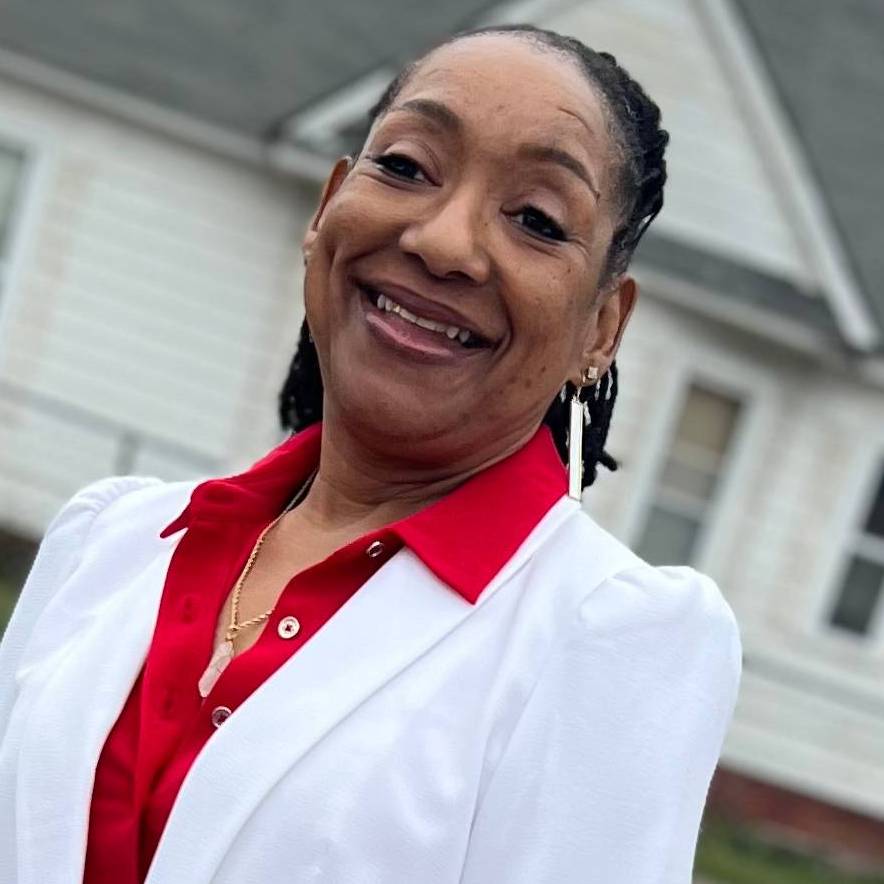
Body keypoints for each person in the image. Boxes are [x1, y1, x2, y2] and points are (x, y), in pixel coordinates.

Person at [0, 24, 741, 884]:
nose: (444, 242)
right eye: (407, 166)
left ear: (602, 329)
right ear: (326, 211)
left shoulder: (608, 638)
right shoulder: (111, 542)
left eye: (537, 220)